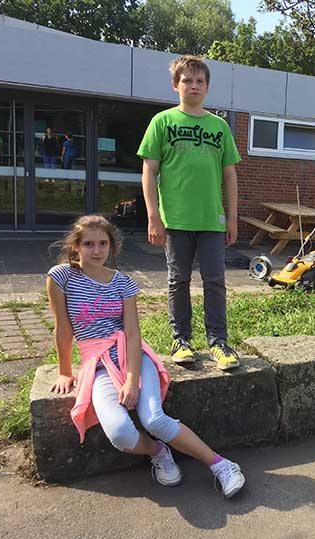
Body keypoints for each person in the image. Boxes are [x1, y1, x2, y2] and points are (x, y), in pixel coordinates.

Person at [47, 214, 245, 497]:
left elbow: (132, 335)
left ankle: (222, 465)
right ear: (76, 246)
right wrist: (65, 372)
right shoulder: (61, 277)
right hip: (97, 366)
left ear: (111, 246)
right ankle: (158, 451)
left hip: (132, 357)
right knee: (120, 433)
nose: (97, 250)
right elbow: (63, 329)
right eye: (88, 244)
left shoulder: (123, 283)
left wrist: (131, 380)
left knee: (153, 419)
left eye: (103, 243)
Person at [137, 55, 240, 368]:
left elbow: (230, 175)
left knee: (215, 281)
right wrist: (153, 216)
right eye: (187, 80)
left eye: (200, 81)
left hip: (212, 220)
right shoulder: (162, 122)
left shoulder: (219, 126)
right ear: (175, 85)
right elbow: (149, 171)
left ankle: (219, 342)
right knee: (178, 280)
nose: (194, 85)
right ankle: (181, 340)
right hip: (176, 220)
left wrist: (232, 217)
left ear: (207, 87)